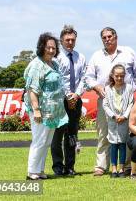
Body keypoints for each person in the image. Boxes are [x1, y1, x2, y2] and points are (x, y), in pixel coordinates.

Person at [85, 27, 136, 176]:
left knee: (127, 134)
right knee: (104, 133)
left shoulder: (128, 52)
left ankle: (125, 166)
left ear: (116, 37)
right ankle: (101, 166)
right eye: (104, 37)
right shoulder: (96, 55)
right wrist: (96, 87)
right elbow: (88, 77)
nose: (107, 39)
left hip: (128, 100)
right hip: (105, 99)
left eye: (109, 36)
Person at [24, 32, 69, 180]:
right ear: (42, 47)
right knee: (39, 140)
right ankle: (32, 172)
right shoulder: (37, 65)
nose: (51, 50)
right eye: (48, 47)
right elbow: (32, 89)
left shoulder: (54, 64)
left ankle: (40, 170)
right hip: (41, 111)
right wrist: (36, 110)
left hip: (53, 111)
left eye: (54, 48)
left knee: (47, 141)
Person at [51, 25, 86, 176]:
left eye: (72, 39)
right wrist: (67, 95)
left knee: (72, 135)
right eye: (67, 40)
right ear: (61, 41)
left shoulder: (81, 57)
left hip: (76, 100)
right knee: (57, 135)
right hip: (60, 101)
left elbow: (84, 78)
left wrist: (76, 95)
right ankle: (58, 167)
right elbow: (57, 80)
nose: (70, 42)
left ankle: (70, 167)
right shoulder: (55, 58)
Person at [102, 64, 135, 178]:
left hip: (124, 121)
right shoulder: (107, 88)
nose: (119, 78)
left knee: (122, 144)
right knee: (113, 145)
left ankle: (121, 168)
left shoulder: (129, 88)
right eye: (117, 76)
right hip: (113, 121)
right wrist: (113, 116)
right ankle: (114, 169)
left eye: (122, 76)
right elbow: (105, 105)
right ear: (112, 76)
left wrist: (125, 116)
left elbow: (131, 103)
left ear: (125, 76)